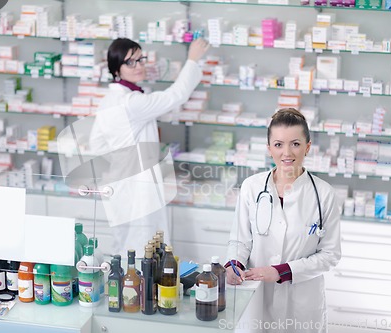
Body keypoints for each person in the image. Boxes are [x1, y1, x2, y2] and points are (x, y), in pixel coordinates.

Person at [89, 38, 210, 257]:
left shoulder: (109, 99)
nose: (139, 66)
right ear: (117, 69)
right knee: (143, 246)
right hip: (137, 185)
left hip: (118, 182)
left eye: (140, 59)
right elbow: (176, 96)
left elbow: (96, 142)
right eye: (130, 62)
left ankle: (122, 286)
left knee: (124, 245)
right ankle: (137, 289)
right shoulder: (132, 102)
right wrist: (192, 59)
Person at [225, 108, 341, 333]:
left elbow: (330, 255)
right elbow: (239, 241)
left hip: (302, 304)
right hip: (256, 294)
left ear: (307, 147)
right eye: (278, 144)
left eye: (295, 144)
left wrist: (282, 271)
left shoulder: (324, 194)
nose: (287, 152)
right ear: (269, 149)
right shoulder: (252, 187)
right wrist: (233, 265)